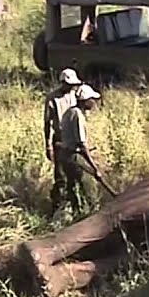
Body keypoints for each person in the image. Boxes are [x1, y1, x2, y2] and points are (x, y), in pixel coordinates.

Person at [49, 84, 105, 215]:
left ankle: (76, 213)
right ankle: (92, 215)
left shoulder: (69, 112)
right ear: (85, 100)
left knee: (72, 187)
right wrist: (95, 168)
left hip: (65, 154)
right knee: (89, 187)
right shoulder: (78, 115)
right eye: (92, 99)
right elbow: (82, 144)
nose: (94, 102)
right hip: (74, 156)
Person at [43, 68, 82, 155]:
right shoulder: (52, 98)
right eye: (69, 84)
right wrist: (48, 145)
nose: (72, 86)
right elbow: (47, 122)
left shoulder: (75, 95)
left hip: (74, 137)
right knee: (60, 166)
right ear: (63, 82)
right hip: (60, 137)